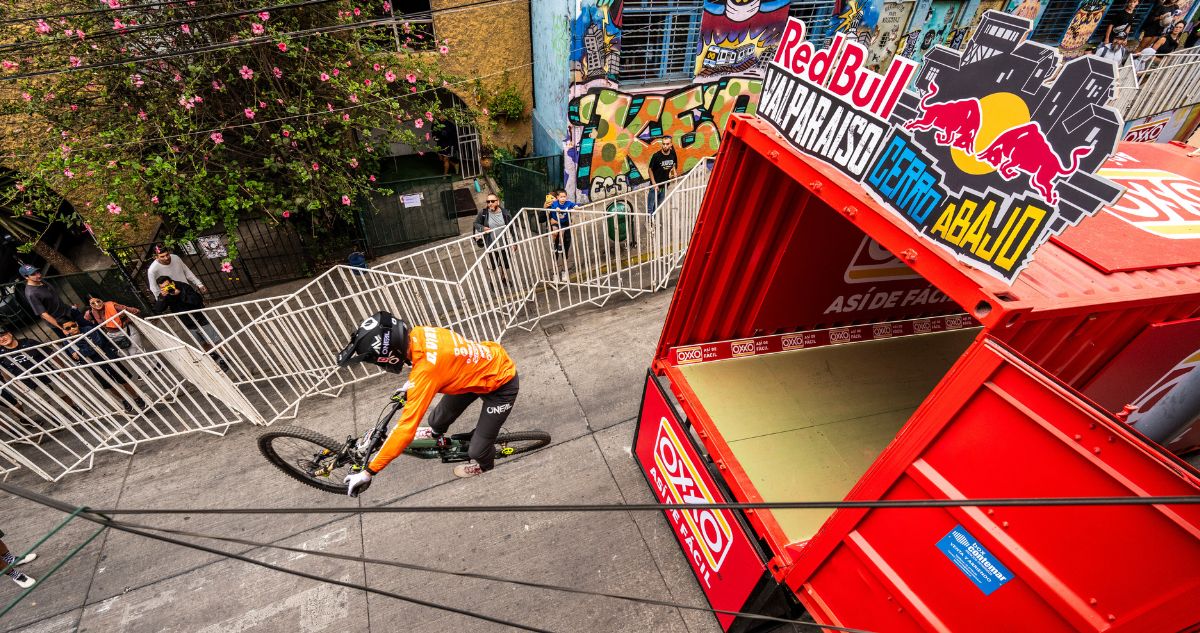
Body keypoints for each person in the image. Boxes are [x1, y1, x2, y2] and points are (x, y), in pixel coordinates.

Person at [337, 311, 519, 494]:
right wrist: (412, 384)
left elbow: (405, 430)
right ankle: (436, 432)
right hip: (473, 371)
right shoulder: (418, 333)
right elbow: (436, 361)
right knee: (436, 420)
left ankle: (484, 465)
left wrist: (369, 472)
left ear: (389, 355)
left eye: (378, 361)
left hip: (502, 385)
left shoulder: (427, 371)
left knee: (477, 451)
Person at [60, 320, 146, 414]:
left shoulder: (88, 329)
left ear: (76, 324)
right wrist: (88, 349)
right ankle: (124, 400)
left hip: (108, 357)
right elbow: (77, 357)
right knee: (108, 384)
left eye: (73, 325)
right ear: (65, 330)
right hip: (94, 365)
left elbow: (98, 344)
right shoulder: (66, 341)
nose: (72, 329)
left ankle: (137, 397)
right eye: (68, 328)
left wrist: (81, 351)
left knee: (123, 379)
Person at [152, 276, 228, 370]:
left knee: (215, 341)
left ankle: (224, 358)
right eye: (163, 287)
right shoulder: (164, 294)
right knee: (203, 343)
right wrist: (162, 298)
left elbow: (197, 300)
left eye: (168, 285)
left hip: (199, 318)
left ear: (172, 282)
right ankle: (215, 358)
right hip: (187, 322)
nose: (166, 288)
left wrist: (180, 294)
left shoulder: (183, 286)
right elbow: (158, 309)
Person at [19, 264, 85, 336]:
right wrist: (62, 328)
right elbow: (43, 314)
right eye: (33, 274)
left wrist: (70, 307)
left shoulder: (41, 281)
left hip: (68, 311)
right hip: (60, 321)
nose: (38, 275)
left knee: (88, 328)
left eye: (37, 272)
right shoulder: (31, 293)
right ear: (26, 277)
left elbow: (53, 298)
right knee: (80, 340)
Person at [473, 194, 514, 286]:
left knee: (505, 264)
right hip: (491, 245)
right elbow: (476, 223)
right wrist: (482, 228)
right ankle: (492, 281)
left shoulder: (505, 213)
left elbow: (512, 228)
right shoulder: (483, 213)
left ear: (497, 201)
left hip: (504, 244)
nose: (490, 204)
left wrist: (514, 242)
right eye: (488, 202)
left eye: (492, 201)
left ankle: (503, 278)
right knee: (492, 265)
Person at [546, 190, 577, 283]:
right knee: (555, 256)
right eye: (560, 197)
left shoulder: (568, 204)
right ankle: (555, 274)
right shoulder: (553, 205)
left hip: (565, 230)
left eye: (564, 197)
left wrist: (576, 207)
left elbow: (573, 205)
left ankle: (564, 272)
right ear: (557, 198)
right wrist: (547, 207)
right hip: (555, 230)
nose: (562, 199)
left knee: (564, 255)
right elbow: (543, 217)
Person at [646, 134, 679, 216]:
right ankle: (649, 222)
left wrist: (674, 172)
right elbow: (650, 169)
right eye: (663, 144)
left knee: (658, 206)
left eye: (667, 144)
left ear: (671, 144)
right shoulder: (656, 156)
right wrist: (654, 184)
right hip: (655, 186)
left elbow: (674, 163)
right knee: (651, 206)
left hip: (664, 185)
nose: (665, 146)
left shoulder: (672, 154)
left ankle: (653, 222)